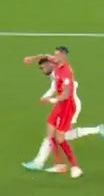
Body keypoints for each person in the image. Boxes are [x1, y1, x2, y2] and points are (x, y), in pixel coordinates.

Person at [33, 56, 104, 172]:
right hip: (63, 105)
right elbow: (55, 87)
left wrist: (48, 98)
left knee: (62, 136)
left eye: (43, 67)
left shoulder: (60, 72)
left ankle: (97, 130)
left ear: (49, 64)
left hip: (70, 106)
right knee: (56, 135)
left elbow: (62, 90)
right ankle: (51, 164)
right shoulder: (56, 73)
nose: (42, 71)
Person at [21, 46, 83, 178]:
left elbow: (66, 94)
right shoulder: (55, 62)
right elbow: (44, 55)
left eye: (57, 55)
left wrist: (51, 99)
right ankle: (59, 165)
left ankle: (75, 166)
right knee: (50, 132)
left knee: (60, 138)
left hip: (67, 106)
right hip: (60, 105)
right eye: (54, 55)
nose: (54, 57)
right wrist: (31, 58)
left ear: (63, 56)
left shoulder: (66, 73)